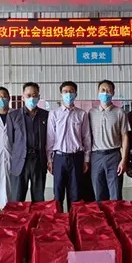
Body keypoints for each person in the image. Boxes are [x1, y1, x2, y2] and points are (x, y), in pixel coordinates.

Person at [47, 81, 92, 211]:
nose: (68, 94)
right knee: (58, 193)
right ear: (61, 94)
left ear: (75, 94)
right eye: (65, 91)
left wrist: (86, 159)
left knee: (76, 194)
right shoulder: (54, 114)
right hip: (59, 158)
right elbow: (50, 138)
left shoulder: (82, 114)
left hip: (76, 157)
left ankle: (74, 220)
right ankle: (59, 221)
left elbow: (86, 138)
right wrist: (50, 160)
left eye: (71, 91)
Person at [6, 82, 49, 202]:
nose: (31, 98)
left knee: (39, 199)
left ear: (39, 97)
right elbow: (11, 139)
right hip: (20, 161)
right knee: (17, 199)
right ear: (23, 97)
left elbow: (49, 138)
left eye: (34, 95)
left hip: (39, 161)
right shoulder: (13, 116)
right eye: (28, 95)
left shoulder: (46, 115)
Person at [89, 80, 130, 201]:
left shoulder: (120, 112)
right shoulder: (91, 113)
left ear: (113, 93)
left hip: (114, 156)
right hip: (96, 156)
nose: (105, 93)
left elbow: (125, 136)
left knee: (115, 194)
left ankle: (115, 213)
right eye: (103, 90)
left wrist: (124, 160)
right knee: (98, 193)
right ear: (98, 92)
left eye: (108, 90)